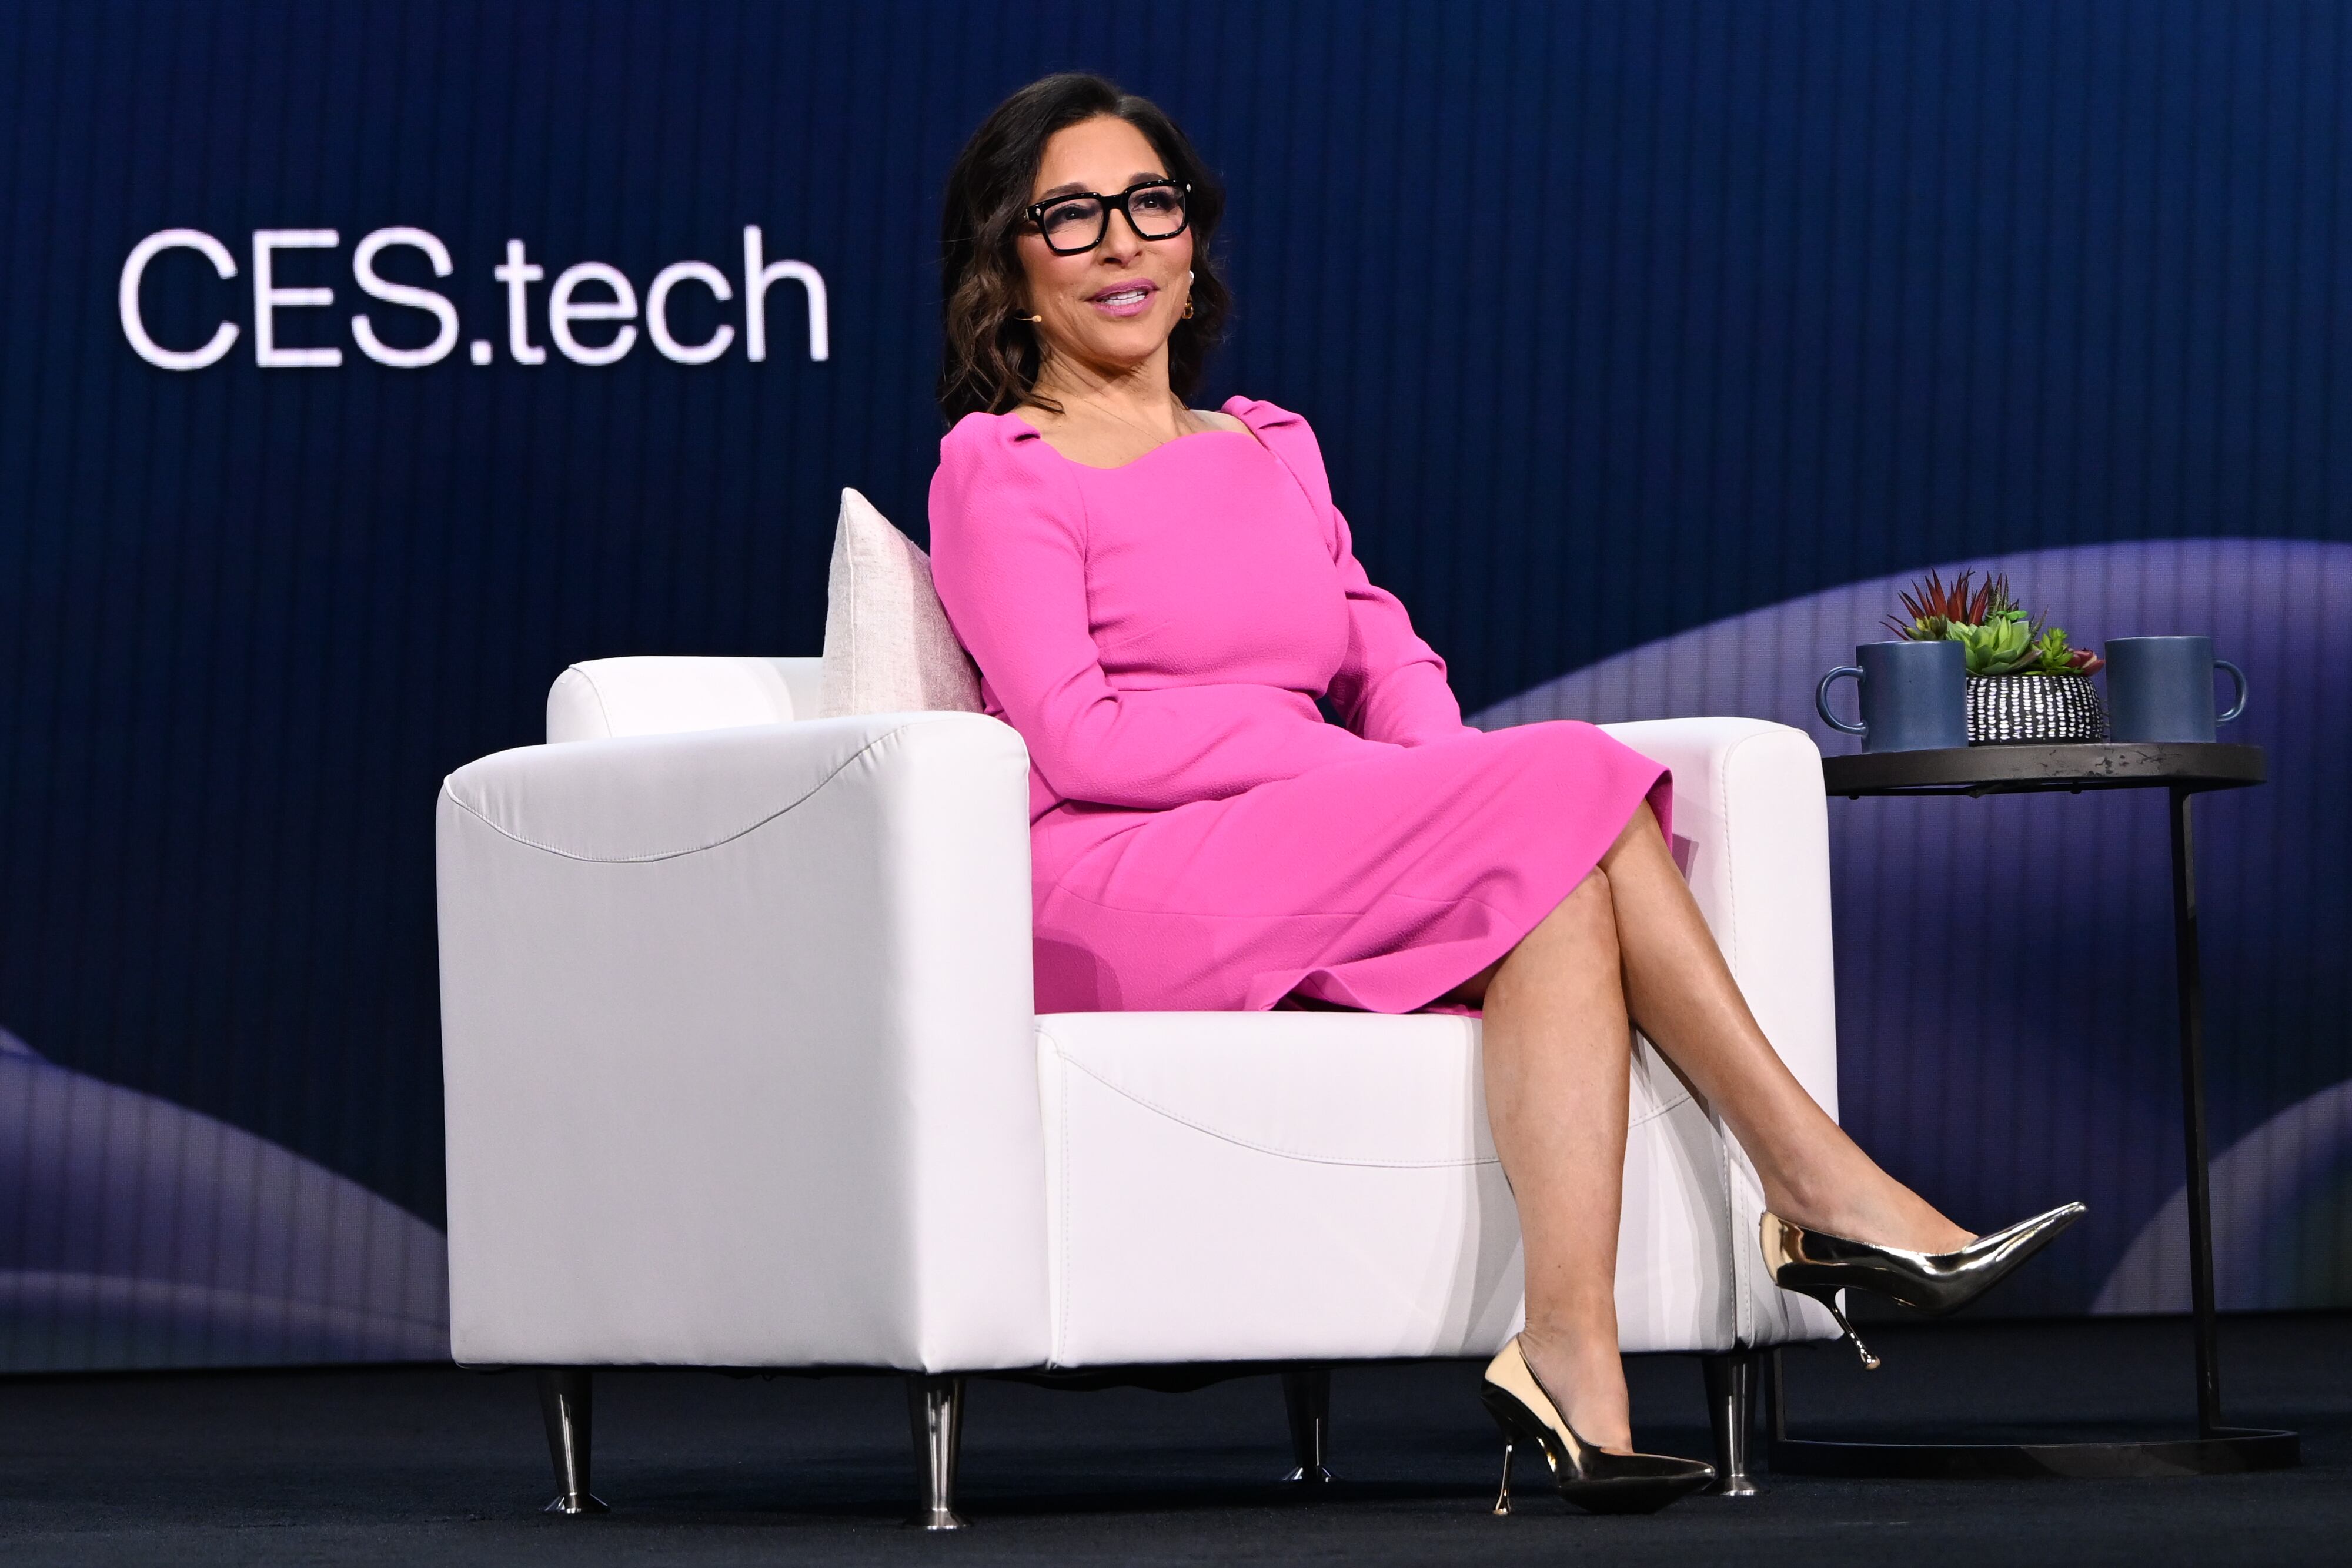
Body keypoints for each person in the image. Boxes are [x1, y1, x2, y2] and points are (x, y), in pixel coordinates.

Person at [927, 72, 2081, 1516]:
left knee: (1555, 869)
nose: (1119, 244)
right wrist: (1380, 777)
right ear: (1011, 265)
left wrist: (1441, 773)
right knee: (1565, 787)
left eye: (1147, 204)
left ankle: (1570, 1357)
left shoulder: (1268, 448)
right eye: (1070, 215)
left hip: (1306, 833)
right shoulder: (1003, 465)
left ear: (1190, 239)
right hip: (1123, 876)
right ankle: (1814, 1180)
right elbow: (1083, 741)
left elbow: (1379, 648)